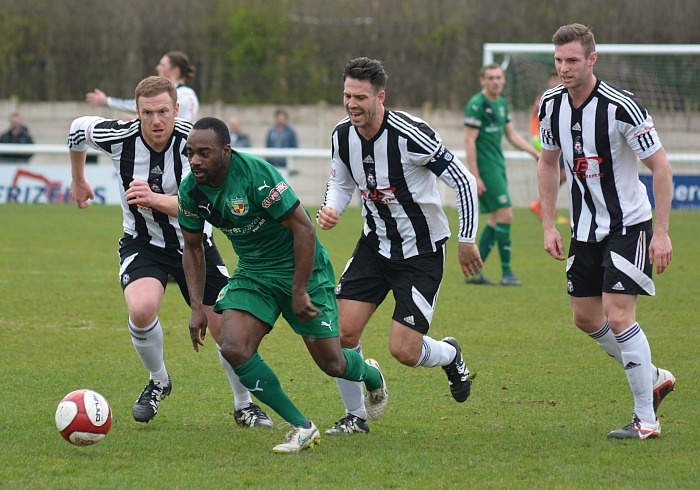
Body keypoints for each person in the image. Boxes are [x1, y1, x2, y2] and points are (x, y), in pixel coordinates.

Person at [68, 76, 273, 428]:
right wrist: (78, 178)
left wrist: (154, 199)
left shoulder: (197, 143)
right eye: (147, 113)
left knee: (228, 331)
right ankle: (158, 380)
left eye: (163, 111)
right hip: (143, 243)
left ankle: (244, 404)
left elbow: (207, 205)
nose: (156, 120)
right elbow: (76, 130)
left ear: (176, 109)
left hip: (195, 246)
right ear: (137, 112)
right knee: (142, 307)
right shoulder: (119, 138)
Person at [179, 116, 388, 453]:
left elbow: (304, 229)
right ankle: (302, 427)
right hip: (253, 273)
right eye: (190, 153)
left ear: (226, 152)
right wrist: (195, 308)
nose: (195, 161)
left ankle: (372, 376)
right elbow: (192, 248)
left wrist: (299, 289)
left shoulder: (257, 176)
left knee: (332, 362)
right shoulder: (191, 190)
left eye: (204, 153)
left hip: (302, 269)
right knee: (234, 347)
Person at [317, 57, 481, 436]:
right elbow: (341, 183)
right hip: (374, 246)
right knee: (340, 334)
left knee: (404, 351)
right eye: (347, 95)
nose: (352, 104)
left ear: (380, 97)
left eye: (360, 97)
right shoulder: (342, 135)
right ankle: (355, 416)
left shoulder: (411, 134)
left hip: (421, 253)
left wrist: (467, 239)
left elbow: (463, 181)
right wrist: (331, 207)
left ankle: (450, 355)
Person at [537, 23, 676, 440]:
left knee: (618, 315)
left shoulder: (622, 107)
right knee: (585, 317)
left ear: (591, 59)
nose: (564, 68)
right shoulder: (550, 105)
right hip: (583, 228)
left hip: (628, 225)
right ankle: (652, 376)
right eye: (559, 60)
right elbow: (548, 163)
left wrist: (663, 232)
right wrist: (547, 222)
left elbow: (662, 168)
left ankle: (646, 420)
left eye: (573, 60)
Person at [464, 63, 541, 286]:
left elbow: (511, 134)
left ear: (503, 80)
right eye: (491, 78)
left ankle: (475, 272)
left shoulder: (501, 104)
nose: (495, 81)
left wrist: (533, 152)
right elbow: (469, 141)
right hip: (485, 169)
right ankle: (507, 273)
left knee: (495, 219)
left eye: (499, 77)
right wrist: (475, 175)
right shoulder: (477, 105)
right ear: (483, 81)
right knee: (506, 215)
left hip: (498, 165)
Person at [86, 51, 199, 123]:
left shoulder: (185, 94)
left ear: (175, 70)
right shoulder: (178, 93)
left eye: (162, 65)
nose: (157, 68)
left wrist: (107, 101)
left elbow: (142, 104)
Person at [529, 73, 568, 225]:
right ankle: (546, 210)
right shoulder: (544, 97)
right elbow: (533, 117)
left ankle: (543, 207)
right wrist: (534, 137)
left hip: (561, 142)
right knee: (553, 173)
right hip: (546, 142)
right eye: (553, 79)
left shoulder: (566, 94)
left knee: (562, 174)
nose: (555, 81)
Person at [264, 108, 298, 176]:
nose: (280, 120)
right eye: (279, 118)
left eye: (282, 118)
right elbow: (268, 146)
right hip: (272, 165)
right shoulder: (271, 131)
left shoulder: (290, 132)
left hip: (284, 165)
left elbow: (294, 147)